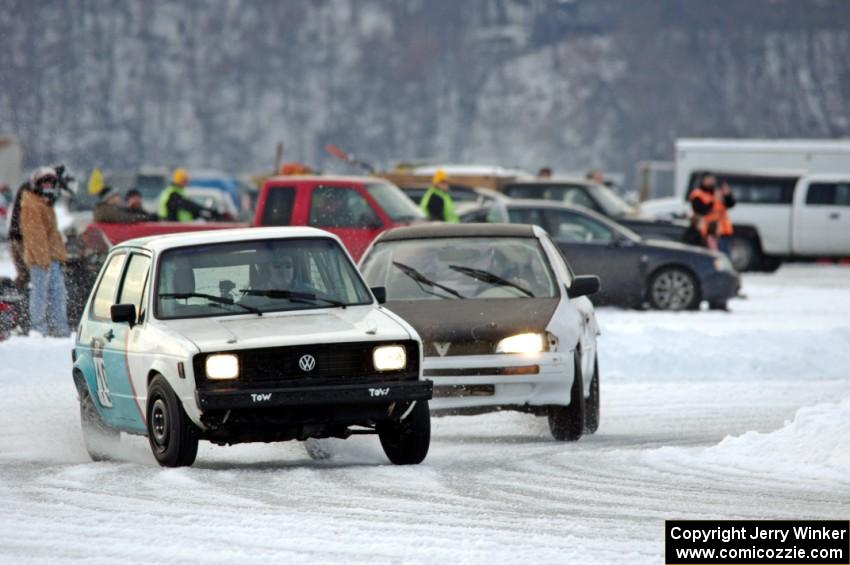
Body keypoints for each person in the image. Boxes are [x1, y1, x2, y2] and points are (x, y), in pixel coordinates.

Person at [20, 167, 70, 337]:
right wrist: (43, 260)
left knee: (58, 294)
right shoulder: (32, 205)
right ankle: (39, 328)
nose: (48, 186)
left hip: (51, 258)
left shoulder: (44, 203)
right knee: (40, 294)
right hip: (41, 260)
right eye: (45, 183)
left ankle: (59, 327)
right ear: (37, 184)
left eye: (51, 183)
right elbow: (35, 236)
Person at [688, 173, 736, 255]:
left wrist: (728, 195)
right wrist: (714, 200)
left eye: (712, 179)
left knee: (724, 256)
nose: (711, 181)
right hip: (708, 232)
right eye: (708, 179)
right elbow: (700, 210)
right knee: (713, 256)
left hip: (723, 231)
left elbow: (730, 204)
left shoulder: (718, 192)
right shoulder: (698, 194)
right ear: (703, 180)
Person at [93, 186, 158, 223]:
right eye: (116, 195)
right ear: (110, 198)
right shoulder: (104, 210)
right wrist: (147, 218)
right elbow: (125, 218)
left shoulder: (107, 209)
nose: (118, 198)